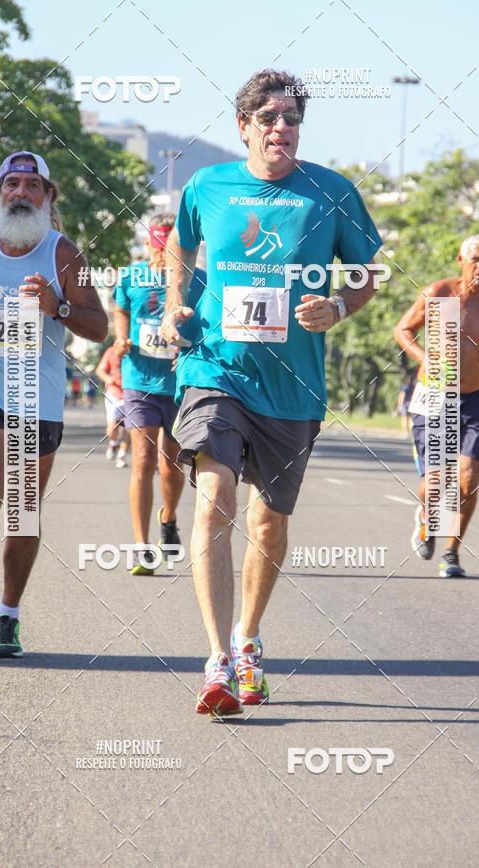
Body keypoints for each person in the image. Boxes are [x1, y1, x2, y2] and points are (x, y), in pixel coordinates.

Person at [161, 68, 383, 716]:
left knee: (268, 520)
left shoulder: (331, 192)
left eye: (291, 118)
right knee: (216, 503)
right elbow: (179, 246)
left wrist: (340, 306)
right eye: (269, 118)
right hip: (214, 368)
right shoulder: (208, 185)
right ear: (244, 127)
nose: (281, 128)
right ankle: (218, 661)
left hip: (292, 387)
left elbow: (368, 272)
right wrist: (177, 300)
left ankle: (248, 637)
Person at [0, 151, 107, 657]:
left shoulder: (63, 255)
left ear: (48, 198)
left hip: (38, 393)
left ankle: (8, 615)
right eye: (12, 183)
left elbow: (99, 327)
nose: (21, 192)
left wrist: (61, 307)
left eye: (33, 184)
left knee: (23, 513)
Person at [394, 235, 479, 578]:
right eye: (474, 259)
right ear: (460, 259)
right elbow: (403, 330)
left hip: (475, 398)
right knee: (437, 483)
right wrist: (425, 358)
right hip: (435, 396)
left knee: (468, 481)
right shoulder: (439, 294)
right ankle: (427, 518)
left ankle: (451, 551)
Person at [112, 213, 185, 576]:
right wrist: (121, 336)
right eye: (157, 245)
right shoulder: (130, 276)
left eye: (168, 246)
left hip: (178, 386)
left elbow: (203, 324)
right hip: (139, 379)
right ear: (147, 243)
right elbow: (120, 310)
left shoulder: (193, 281)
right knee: (142, 459)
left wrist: (187, 353)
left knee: (171, 465)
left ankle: (168, 519)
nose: (162, 253)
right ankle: (142, 548)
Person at [95, 343, 130, 468]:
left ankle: (122, 456)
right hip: (114, 394)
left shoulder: (135, 350)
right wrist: (108, 378)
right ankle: (113, 442)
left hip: (131, 393)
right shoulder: (111, 351)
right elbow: (100, 370)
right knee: (112, 429)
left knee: (129, 428)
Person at [396, 372, 415, 436]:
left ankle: (406, 432)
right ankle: (412, 431)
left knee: (404, 418)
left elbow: (402, 395)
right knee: (411, 418)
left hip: (405, 403)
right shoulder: (414, 387)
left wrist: (399, 405)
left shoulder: (405, 387)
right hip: (412, 403)